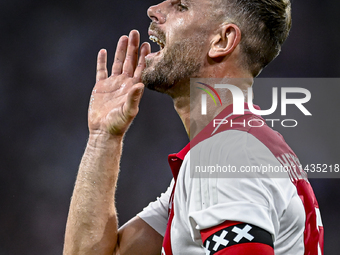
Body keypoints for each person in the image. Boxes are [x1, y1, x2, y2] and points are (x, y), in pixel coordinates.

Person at [63, 0, 324, 254]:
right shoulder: (236, 151)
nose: (154, 10)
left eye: (182, 5)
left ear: (222, 41)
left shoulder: (227, 156)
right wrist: (103, 138)